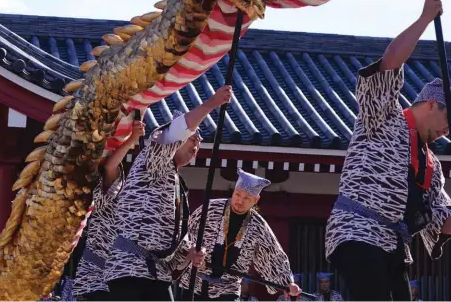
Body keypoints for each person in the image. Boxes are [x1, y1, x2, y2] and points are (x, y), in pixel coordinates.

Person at [325, 0, 451, 301]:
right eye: (447, 124)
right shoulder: (383, 117)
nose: (446, 133)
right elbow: (389, 64)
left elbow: (437, 215)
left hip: (395, 245)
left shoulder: (432, 168)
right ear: (431, 105)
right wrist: (425, 18)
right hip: (357, 229)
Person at [104, 85, 233, 301]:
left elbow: (174, 241)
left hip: (157, 274)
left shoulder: (177, 184)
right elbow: (176, 131)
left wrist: (190, 254)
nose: (197, 144)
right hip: (130, 268)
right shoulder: (154, 160)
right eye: (193, 138)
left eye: (200, 142)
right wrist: (212, 103)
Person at [177, 168, 300, 301]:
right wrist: (193, 252)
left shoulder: (258, 226)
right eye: (237, 195)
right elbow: (185, 233)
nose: (240, 201)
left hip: (228, 288)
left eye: (247, 198)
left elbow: (273, 255)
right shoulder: (210, 209)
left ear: (256, 200)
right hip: (194, 282)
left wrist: (287, 283)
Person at [73, 118, 145, 300]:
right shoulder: (115, 193)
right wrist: (132, 139)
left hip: (123, 276)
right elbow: (111, 166)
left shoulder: (142, 208)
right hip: (94, 273)